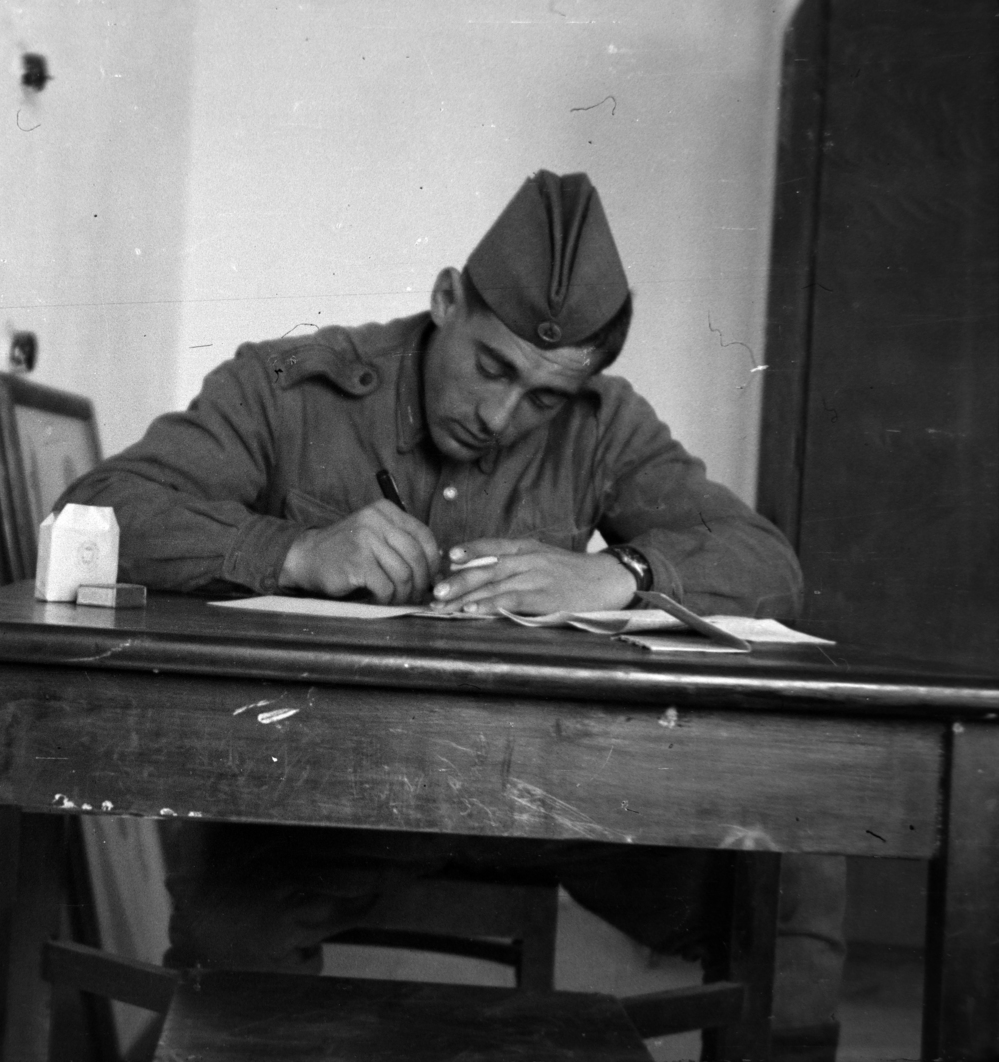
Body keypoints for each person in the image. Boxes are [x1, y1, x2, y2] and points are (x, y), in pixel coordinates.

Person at [57, 171, 844, 1060]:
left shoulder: (602, 424)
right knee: (229, 943)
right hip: (323, 797)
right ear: (444, 300)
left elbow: (768, 563)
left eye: (543, 397)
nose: (504, 417)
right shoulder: (288, 390)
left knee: (791, 879)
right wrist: (292, 551)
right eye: (493, 367)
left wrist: (622, 573)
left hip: (546, 795)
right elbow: (101, 508)